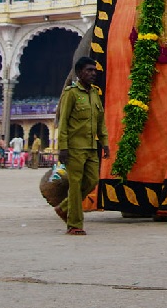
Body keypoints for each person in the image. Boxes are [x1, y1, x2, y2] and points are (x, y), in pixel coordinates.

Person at [55, 57, 106, 235]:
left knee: (92, 180)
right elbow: (63, 123)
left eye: (94, 70)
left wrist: (105, 143)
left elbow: (101, 122)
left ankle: (65, 207)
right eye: (89, 70)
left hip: (91, 147)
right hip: (74, 148)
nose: (93, 73)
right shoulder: (71, 94)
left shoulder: (94, 94)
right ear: (79, 73)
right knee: (75, 185)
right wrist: (63, 148)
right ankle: (75, 224)